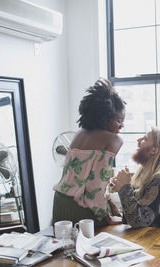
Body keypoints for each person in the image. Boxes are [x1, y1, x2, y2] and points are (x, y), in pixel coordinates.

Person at [52, 78, 125, 226]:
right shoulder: (114, 140)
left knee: (65, 248)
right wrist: (106, 217)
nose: (122, 125)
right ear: (105, 117)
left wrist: (110, 204)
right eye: (118, 121)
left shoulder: (79, 133)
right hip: (82, 207)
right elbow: (96, 186)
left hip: (60, 202)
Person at [110, 127, 160, 229]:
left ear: (154, 150)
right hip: (148, 238)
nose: (138, 140)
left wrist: (125, 187)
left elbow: (138, 221)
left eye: (145, 139)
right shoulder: (145, 175)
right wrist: (121, 186)